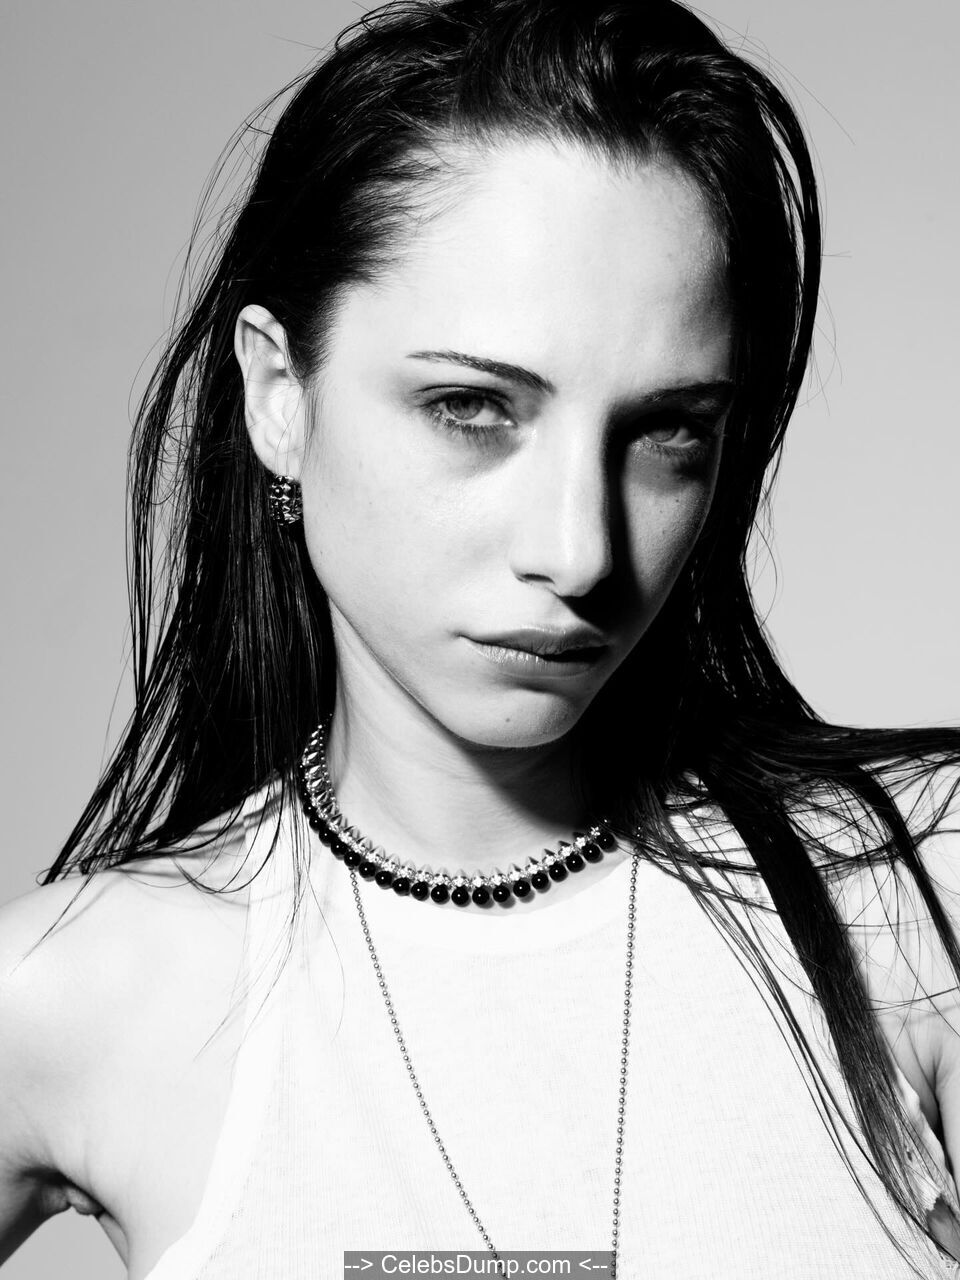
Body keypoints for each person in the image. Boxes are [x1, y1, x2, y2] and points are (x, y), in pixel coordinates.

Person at [2, 0, 959, 1276]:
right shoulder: (80, 996)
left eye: (667, 431)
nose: (581, 550)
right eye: (472, 407)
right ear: (279, 393)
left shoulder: (915, 891)